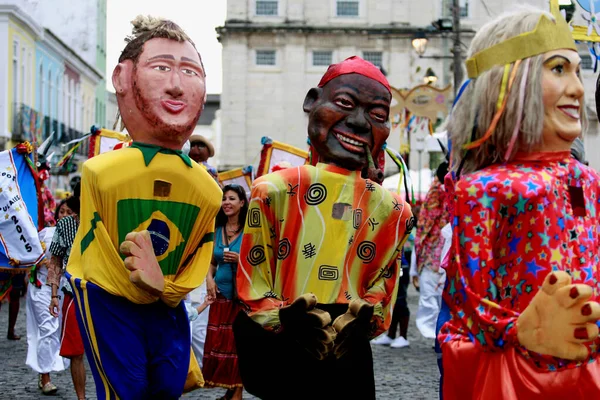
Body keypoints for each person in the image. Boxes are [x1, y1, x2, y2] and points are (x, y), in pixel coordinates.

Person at [439, 7, 600, 398]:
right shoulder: (482, 190)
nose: (578, 89)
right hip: (519, 379)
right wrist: (523, 329)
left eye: (578, 71)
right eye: (559, 69)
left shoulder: (588, 180)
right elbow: (471, 304)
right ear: (510, 84)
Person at [233, 56, 413, 400]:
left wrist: (362, 322)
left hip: (348, 356)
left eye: (377, 116)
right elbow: (254, 278)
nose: (360, 123)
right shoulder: (274, 191)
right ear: (312, 102)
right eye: (345, 103)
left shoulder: (394, 210)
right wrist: (284, 321)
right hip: (290, 350)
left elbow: (383, 287)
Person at [66, 15, 222, 399]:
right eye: (162, 67)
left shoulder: (206, 188)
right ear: (122, 78)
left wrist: (167, 288)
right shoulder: (101, 172)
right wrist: (142, 284)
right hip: (111, 301)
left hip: (167, 306)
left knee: (169, 386)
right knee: (126, 389)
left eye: (190, 71)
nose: (176, 83)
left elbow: (201, 249)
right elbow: (94, 248)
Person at [203, 184, 248, 400]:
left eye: (231, 198)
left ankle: (236, 393)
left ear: (242, 203)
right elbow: (211, 262)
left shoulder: (250, 231)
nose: (226, 203)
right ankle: (230, 391)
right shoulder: (217, 230)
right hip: (219, 297)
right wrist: (209, 279)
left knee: (237, 345)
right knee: (220, 344)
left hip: (241, 299)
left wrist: (241, 261)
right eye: (224, 199)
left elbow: (259, 262)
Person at [26, 200, 75, 395]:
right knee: (48, 328)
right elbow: (29, 258)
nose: (64, 215)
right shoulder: (45, 234)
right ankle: (45, 377)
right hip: (42, 288)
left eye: (68, 212)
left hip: (65, 289)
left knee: (57, 331)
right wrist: (39, 264)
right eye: (61, 211)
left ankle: (44, 368)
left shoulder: (77, 237)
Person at [47, 188, 86, 400]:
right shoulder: (65, 224)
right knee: (76, 352)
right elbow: (55, 262)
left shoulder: (108, 220)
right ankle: (82, 398)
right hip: (74, 292)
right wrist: (54, 295)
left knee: (108, 351)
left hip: (105, 293)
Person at [412, 162, 450, 340]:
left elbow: (425, 225)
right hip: (442, 249)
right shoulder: (448, 191)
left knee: (431, 296)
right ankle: (436, 330)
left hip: (432, 251)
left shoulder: (436, 192)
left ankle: (433, 330)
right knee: (438, 296)